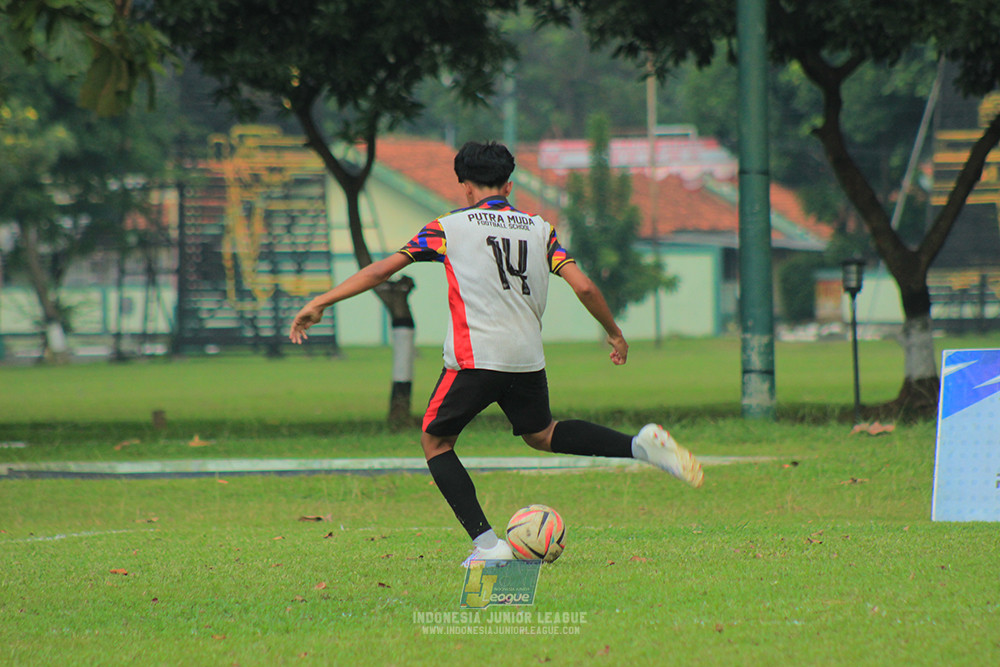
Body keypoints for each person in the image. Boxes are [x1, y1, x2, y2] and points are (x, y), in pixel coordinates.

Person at [289, 141, 703, 566]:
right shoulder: (540, 229)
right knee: (540, 433)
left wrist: (321, 301)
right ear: (509, 184)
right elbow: (583, 286)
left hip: (476, 358)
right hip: (526, 358)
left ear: (466, 187)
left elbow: (383, 269)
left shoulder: (449, 227)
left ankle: (487, 546)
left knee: (435, 440)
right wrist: (614, 333)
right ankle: (640, 446)